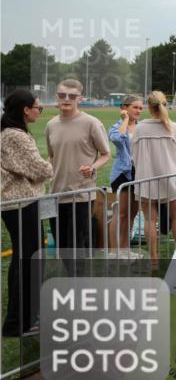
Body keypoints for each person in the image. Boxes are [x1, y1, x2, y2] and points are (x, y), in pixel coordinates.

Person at [1, 90, 52, 336]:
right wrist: (51, 162)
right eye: (38, 108)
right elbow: (39, 169)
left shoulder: (11, 132)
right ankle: (19, 322)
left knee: (26, 258)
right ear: (25, 110)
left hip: (20, 203)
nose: (39, 112)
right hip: (20, 204)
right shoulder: (15, 136)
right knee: (28, 260)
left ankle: (24, 318)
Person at [45, 79, 110, 256]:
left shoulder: (92, 123)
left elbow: (106, 154)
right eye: (62, 95)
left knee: (76, 245)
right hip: (56, 194)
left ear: (80, 98)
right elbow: (52, 157)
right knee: (61, 246)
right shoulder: (51, 125)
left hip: (81, 194)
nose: (66, 99)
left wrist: (93, 167)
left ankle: (78, 274)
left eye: (72, 96)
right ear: (56, 97)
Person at [132, 91, 176, 269]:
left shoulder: (140, 128)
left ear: (149, 107)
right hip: (169, 177)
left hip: (145, 178)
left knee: (149, 220)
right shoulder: (175, 128)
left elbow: (134, 156)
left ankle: (154, 260)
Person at [108, 95, 143, 258]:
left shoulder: (142, 127)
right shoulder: (116, 127)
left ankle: (125, 250)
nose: (139, 111)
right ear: (124, 107)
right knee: (120, 213)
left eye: (141, 108)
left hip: (139, 173)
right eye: (135, 107)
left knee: (132, 214)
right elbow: (117, 138)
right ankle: (114, 251)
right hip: (122, 173)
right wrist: (125, 120)